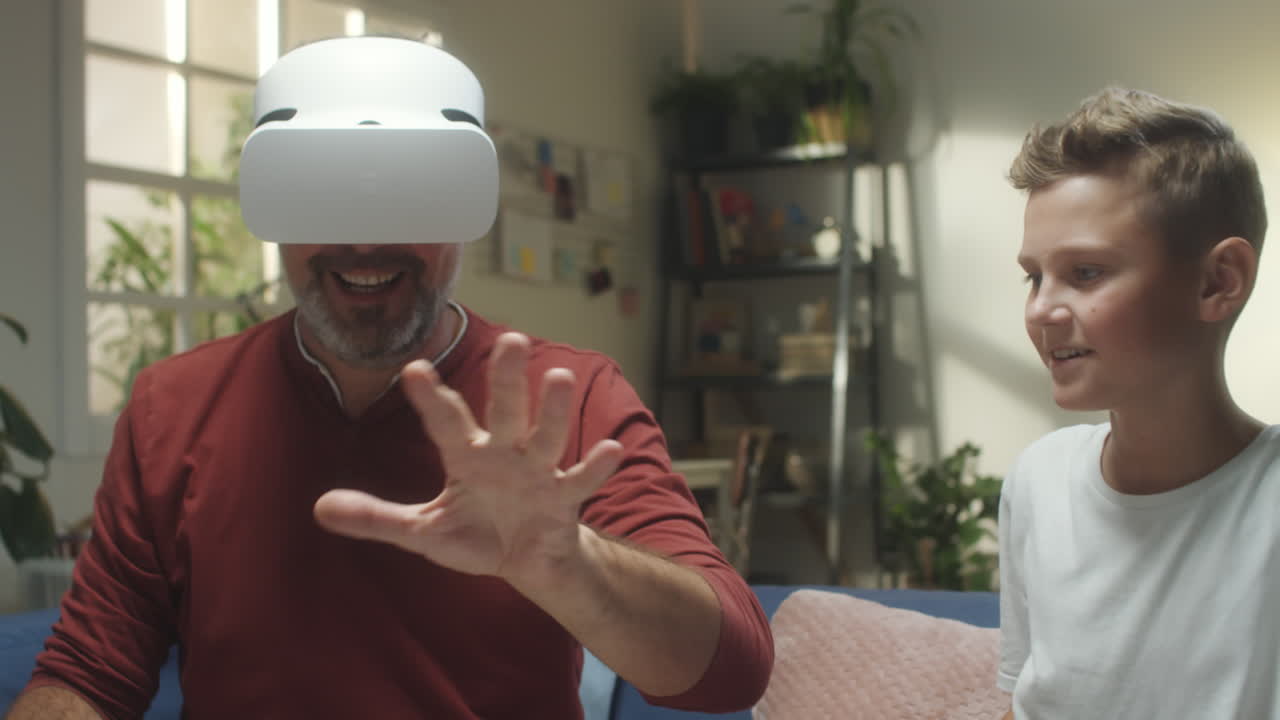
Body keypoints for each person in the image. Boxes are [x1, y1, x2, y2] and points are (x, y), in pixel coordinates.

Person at [7, 37, 772, 719]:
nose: (366, 238)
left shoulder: (569, 400)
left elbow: (730, 670)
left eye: (411, 191)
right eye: (322, 192)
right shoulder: (170, 409)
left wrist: (570, 564)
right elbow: (90, 676)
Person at [998, 86, 1278, 718]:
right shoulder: (1037, 482)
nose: (1040, 309)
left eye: (1086, 272)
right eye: (1032, 276)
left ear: (1218, 282)